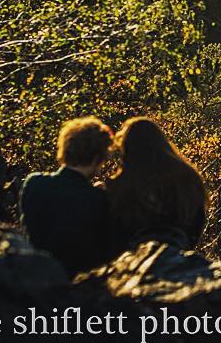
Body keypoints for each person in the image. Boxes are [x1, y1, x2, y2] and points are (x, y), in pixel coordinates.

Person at [18, 116, 115, 274]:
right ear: (98, 158)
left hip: (38, 278)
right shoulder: (99, 200)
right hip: (80, 286)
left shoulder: (34, 184)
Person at [106, 117, 208, 250]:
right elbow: (197, 218)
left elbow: (114, 228)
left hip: (134, 257)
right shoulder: (187, 175)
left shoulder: (120, 183)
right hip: (178, 251)